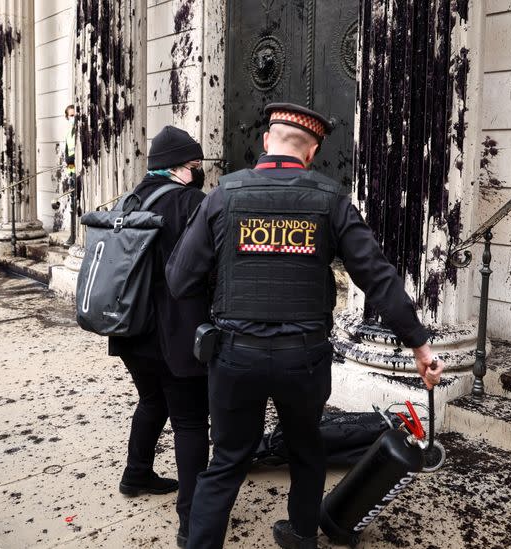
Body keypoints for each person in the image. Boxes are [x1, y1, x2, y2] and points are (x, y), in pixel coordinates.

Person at [165, 103, 445, 549]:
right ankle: (300, 536)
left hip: (236, 355)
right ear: (311, 153)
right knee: (306, 449)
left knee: (229, 459)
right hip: (304, 358)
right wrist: (419, 346)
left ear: (265, 143)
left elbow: (179, 280)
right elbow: (378, 276)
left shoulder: (224, 195)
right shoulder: (330, 199)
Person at [109, 125, 211, 548]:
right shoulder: (192, 204)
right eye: (197, 165)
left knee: (151, 400)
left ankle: (136, 473)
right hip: (176, 334)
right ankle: (192, 520)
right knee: (189, 421)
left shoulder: (130, 200)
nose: (200, 172)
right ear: (182, 168)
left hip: (131, 330)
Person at [62, 105, 78, 245]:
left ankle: (76, 236)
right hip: (72, 170)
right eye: (71, 116)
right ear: (67, 117)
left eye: (75, 115)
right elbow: (67, 151)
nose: (74, 118)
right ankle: (73, 235)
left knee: (78, 204)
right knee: (73, 204)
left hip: (81, 170)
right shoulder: (68, 131)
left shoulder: (79, 130)